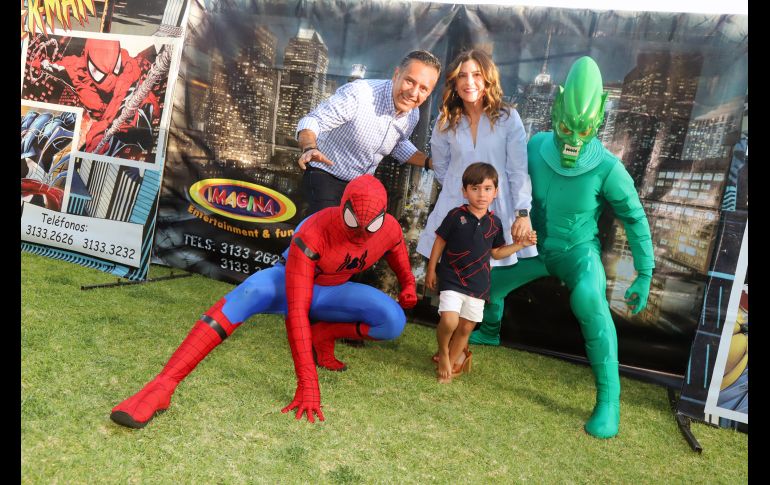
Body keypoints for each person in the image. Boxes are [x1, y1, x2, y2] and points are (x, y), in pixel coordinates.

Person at [110, 175, 418, 428]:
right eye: (354, 221)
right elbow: (296, 311)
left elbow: (396, 252)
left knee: (391, 321)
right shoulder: (313, 232)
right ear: (342, 209)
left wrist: (407, 284)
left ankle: (325, 334)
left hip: (333, 289)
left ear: (385, 216)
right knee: (248, 293)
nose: (363, 235)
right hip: (289, 283)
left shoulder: (388, 229)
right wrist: (307, 381)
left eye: (372, 226)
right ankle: (163, 385)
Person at [468, 57, 655, 439]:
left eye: (583, 129)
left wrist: (645, 271)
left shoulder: (607, 167)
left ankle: (609, 402)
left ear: (599, 120)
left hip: (577, 252)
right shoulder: (536, 146)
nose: (573, 139)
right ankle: (489, 331)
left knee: (589, 300)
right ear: (556, 111)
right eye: (568, 127)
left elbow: (634, 218)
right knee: (486, 279)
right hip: (530, 246)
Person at [416, 49, 536, 297]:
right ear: (454, 82)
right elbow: (441, 167)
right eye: (462, 76)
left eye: (476, 75)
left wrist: (522, 213)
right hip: (455, 207)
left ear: (488, 79)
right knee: (450, 279)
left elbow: (517, 170)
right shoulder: (444, 120)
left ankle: (476, 329)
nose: (469, 82)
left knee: (485, 281)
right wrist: (455, 192)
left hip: (495, 209)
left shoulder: (508, 118)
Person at [425, 163, 537, 383]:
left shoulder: (495, 223)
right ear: (464, 191)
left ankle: (457, 357)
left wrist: (521, 244)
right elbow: (439, 242)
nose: (481, 194)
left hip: (478, 284)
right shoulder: (456, 215)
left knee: (466, 326)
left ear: (495, 193)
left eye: (487, 189)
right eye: (475, 188)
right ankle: (445, 355)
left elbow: (496, 253)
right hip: (452, 278)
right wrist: (431, 269)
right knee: (449, 321)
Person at [296, 50, 441, 215]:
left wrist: (430, 162)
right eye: (409, 81)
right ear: (396, 75)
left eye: (423, 89)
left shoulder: (412, 113)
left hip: (361, 186)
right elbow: (313, 121)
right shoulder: (360, 94)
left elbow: (398, 145)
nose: (414, 93)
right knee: (328, 231)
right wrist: (309, 148)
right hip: (326, 176)